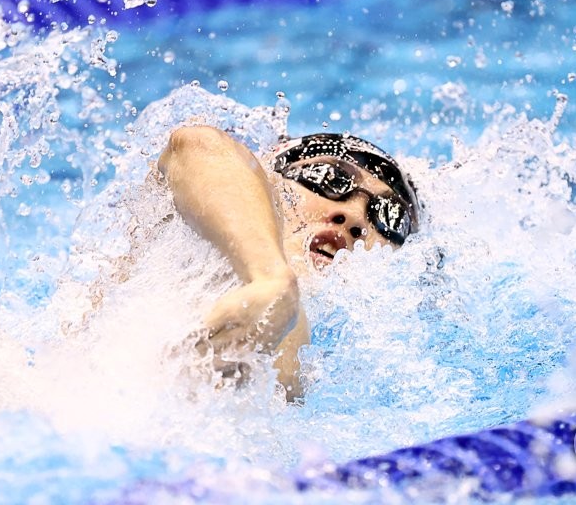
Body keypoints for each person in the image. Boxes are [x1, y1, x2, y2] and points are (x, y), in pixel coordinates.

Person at [156, 126, 420, 401]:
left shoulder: (357, 380)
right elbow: (196, 145)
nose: (354, 216)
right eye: (330, 177)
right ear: (269, 175)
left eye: (390, 216)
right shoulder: (177, 240)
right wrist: (271, 280)